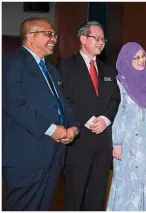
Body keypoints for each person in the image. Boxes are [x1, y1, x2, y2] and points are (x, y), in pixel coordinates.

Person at [2, 17, 79, 210]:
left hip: (53, 152)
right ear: (30, 36)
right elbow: (13, 104)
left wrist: (73, 126)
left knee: (43, 204)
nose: (54, 38)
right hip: (26, 153)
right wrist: (51, 129)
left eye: (54, 34)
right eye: (48, 34)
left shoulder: (50, 69)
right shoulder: (10, 62)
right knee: (22, 205)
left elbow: (61, 103)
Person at [57, 21, 121, 210]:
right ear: (83, 39)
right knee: (75, 191)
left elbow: (115, 99)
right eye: (97, 38)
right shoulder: (66, 66)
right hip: (79, 139)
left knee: (98, 190)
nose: (101, 42)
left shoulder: (108, 70)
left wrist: (105, 119)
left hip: (103, 139)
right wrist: (88, 119)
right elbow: (64, 99)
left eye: (103, 39)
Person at [106, 42, 146, 211]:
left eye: (144, 56)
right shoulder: (120, 81)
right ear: (127, 60)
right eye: (136, 57)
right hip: (127, 142)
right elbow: (118, 112)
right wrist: (116, 142)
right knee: (127, 178)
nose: (142, 60)